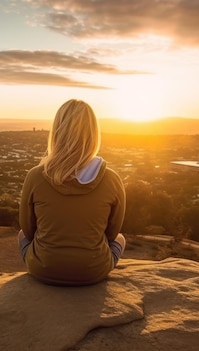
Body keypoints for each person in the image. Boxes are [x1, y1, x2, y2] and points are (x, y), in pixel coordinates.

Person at [18, 99, 126, 286]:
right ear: (94, 135)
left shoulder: (35, 176)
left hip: (43, 269)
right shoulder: (112, 179)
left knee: (20, 235)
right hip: (93, 272)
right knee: (121, 238)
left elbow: (28, 230)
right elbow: (111, 234)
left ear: (57, 133)